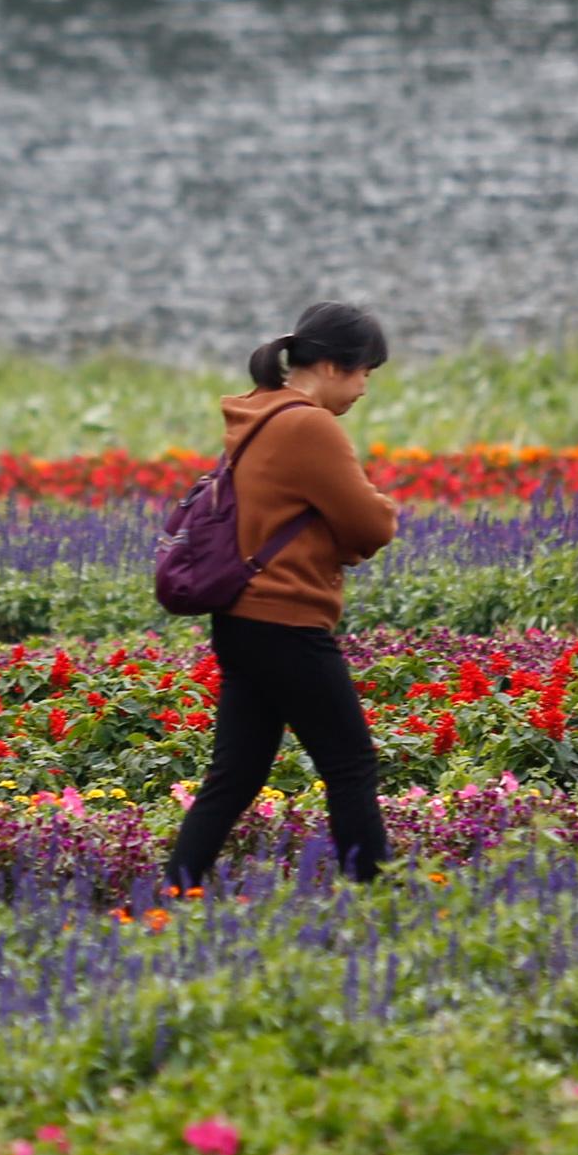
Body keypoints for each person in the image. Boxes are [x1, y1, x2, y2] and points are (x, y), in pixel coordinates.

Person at [163, 303, 403, 891]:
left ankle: (172, 892)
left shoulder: (259, 413)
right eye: (364, 373)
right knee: (350, 763)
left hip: (242, 620)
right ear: (332, 366)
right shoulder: (309, 425)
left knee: (237, 775)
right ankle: (376, 897)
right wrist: (380, 512)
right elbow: (370, 524)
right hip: (286, 620)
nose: (364, 388)